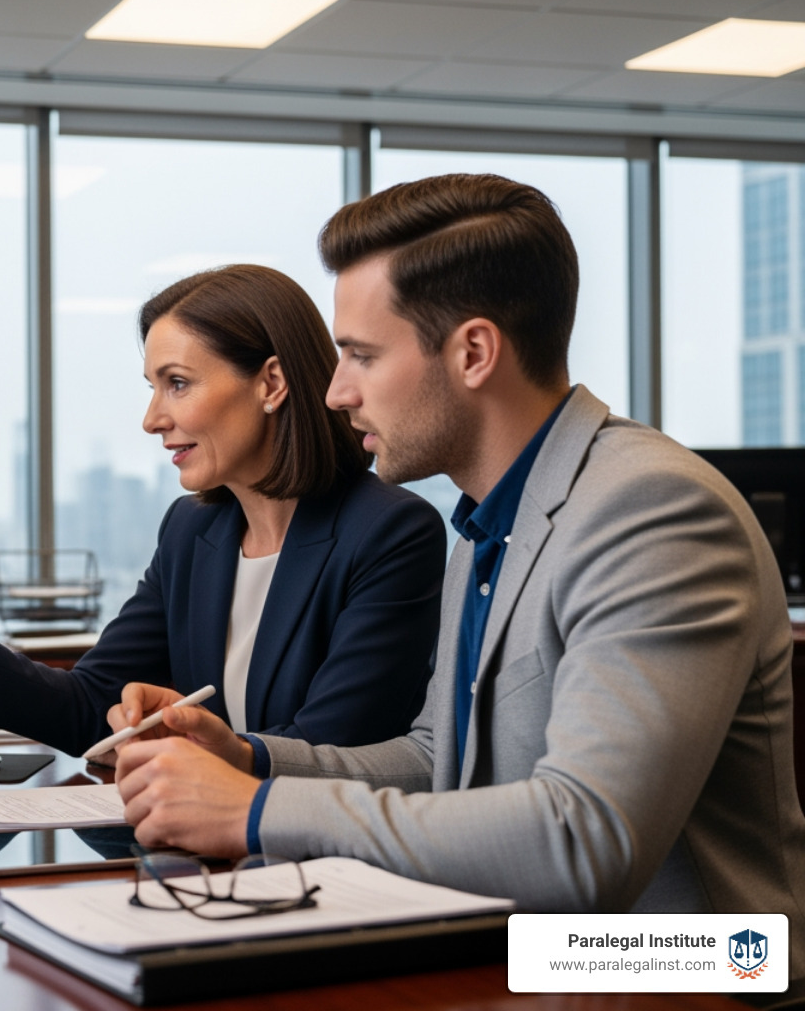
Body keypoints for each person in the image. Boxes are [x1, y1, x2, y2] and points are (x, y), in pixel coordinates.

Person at [111, 175, 805, 984]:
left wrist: (257, 811)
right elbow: (439, 758)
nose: (335, 391)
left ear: (473, 353)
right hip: (536, 965)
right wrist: (251, 759)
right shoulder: (487, 525)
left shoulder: (650, 511)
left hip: (690, 978)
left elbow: (585, 840)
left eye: (362, 355)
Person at [0, 264, 446, 757]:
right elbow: (90, 706)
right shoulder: (192, 531)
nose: (153, 419)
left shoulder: (389, 532)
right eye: (152, 387)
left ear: (271, 384)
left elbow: (333, 752)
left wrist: (194, 751)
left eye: (177, 383)